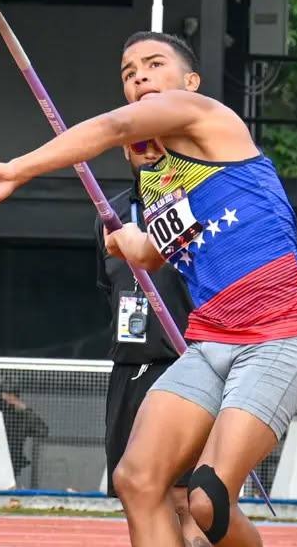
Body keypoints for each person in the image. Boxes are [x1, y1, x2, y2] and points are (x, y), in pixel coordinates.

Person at [0, 31, 297, 547]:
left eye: (154, 65)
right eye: (129, 73)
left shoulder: (209, 119)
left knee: (207, 498)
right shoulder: (159, 181)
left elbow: (113, 126)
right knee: (138, 480)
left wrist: (16, 170)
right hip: (213, 343)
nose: (139, 78)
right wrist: (129, 242)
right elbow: (156, 254)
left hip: (278, 340)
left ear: (189, 82)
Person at [97, 139, 204, 544]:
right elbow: (108, 287)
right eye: (139, 142)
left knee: (186, 498)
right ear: (125, 150)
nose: (149, 149)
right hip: (131, 365)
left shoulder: (196, 203)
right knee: (138, 492)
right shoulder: (109, 214)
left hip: (189, 364)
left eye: (160, 140)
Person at [0, 373, 50, 480]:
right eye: (6, 393)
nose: (10, 397)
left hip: (12, 467)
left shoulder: (21, 417)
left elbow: (42, 431)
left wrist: (25, 409)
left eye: (13, 394)